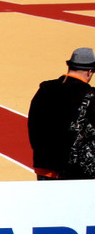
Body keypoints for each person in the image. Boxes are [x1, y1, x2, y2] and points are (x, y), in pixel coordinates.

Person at [28, 47, 95, 179]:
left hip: (44, 165)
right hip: (75, 172)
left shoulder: (45, 89)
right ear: (89, 72)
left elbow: (33, 125)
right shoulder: (90, 96)